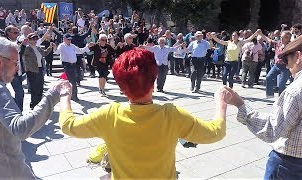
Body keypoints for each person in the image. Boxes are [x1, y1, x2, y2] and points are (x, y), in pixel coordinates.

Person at [58, 48, 232, 179]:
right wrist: (221, 102)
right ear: (154, 81)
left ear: (121, 88)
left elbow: (68, 125)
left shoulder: (109, 114)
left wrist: (66, 95)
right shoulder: (171, 115)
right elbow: (216, 132)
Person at [0, 36, 67, 178]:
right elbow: (21, 128)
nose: (17, 68)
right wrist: (52, 95)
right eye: (15, 63)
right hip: (9, 171)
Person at [225, 35, 302, 180]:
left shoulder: (295, 91)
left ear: (298, 57)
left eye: (287, 60)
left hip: (289, 165)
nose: (286, 65)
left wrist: (240, 104)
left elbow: (273, 129)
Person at [54, 33, 91, 102]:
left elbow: (80, 51)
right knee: (73, 80)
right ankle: (74, 96)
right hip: (67, 64)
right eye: (68, 39)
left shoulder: (72, 46)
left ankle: (71, 95)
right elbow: (56, 52)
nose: (69, 41)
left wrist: (87, 46)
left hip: (73, 64)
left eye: (70, 39)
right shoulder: (61, 46)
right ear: (64, 39)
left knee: (72, 80)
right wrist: (54, 47)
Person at [23, 33, 53, 109]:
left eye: (36, 38)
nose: (35, 40)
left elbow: (44, 53)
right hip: (31, 70)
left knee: (40, 87)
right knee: (34, 88)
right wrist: (23, 44)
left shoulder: (38, 48)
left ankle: (39, 103)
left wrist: (50, 47)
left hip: (39, 69)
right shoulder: (26, 48)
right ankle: (33, 104)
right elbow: (20, 52)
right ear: (29, 40)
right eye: (33, 39)